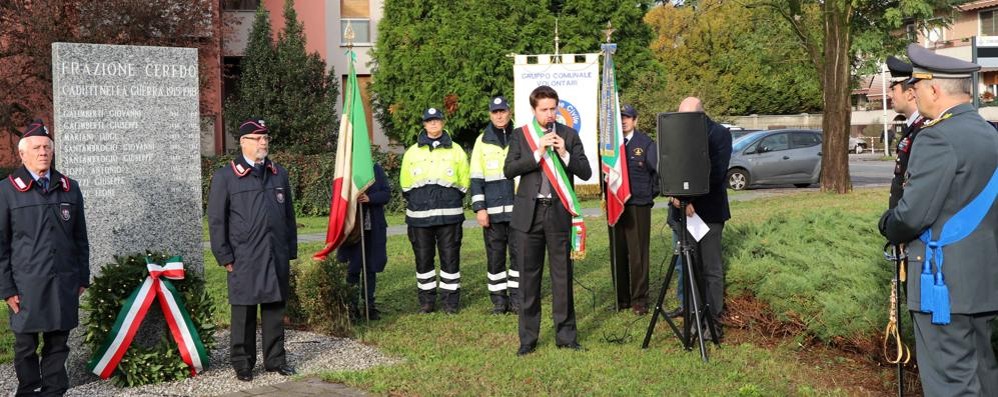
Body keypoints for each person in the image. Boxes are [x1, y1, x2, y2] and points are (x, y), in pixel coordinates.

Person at [879, 44, 998, 396]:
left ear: (934, 89)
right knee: (983, 373)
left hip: (943, 284)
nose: (913, 93)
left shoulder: (936, 137)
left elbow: (912, 215)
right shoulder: (988, 132)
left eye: (917, 86)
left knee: (951, 383)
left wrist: (887, 224)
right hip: (982, 280)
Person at [0, 119, 89, 396]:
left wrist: (82, 277)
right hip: (26, 285)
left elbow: (80, 239)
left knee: (58, 343)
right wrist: (6, 288)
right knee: (26, 346)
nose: (43, 153)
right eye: (37, 148)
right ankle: (28, 391)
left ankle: (53, 391)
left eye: (47, 148)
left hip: (63, 281)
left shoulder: (69, 188)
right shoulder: (6, 191)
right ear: (22, 154)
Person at [505, 85, 592, 356]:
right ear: (534, 110)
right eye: (544, 109)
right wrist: (537, 154)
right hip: (529, 216)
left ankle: (566, 336)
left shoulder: (569, 134)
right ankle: (528, 340)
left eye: (553, 108)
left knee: (562, 277)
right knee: (528, 280)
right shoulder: (522, 136)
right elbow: (509, 170)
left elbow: (586, 172)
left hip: (558, 214)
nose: (550, 114)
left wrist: (565, 153)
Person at [208, 118, 297, 382]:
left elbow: (288, 215)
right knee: (244, 312)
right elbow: (216, 220)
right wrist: (224, 255)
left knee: (274, 310)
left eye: (266, 138)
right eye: (258, 138)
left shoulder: (278, 173)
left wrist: (289, 250)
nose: (263, 142)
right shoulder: (226, 176)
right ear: (244, 142)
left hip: (275, 253)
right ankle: (243, 363)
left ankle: (275, 360)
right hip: (244, 256)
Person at [668, 97, 732, 338]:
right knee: (690, 267)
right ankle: (694, 317)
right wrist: (676, 196)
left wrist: (689, 199)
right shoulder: (678, 133)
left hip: (708, 213)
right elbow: (668, 166)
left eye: (686, 116)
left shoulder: (719, 135)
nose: (680, 121)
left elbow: (715, 173)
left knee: (711, 269)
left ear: (699, 115)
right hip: (683, 212)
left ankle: (713, 320)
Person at [400, 107, 470, 314]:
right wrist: (418, 200)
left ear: (443, 122)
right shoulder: (412, 151)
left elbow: (464, 181)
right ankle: (427, 302)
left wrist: (449, 198)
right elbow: (405, 183)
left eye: (436, 120)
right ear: (424, 124)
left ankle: (450, 302)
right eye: (429, 121)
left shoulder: (456, 150)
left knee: (450, 258)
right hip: (419, 217)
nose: (433, 124)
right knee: (423, 258)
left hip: (449, 215)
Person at [470, 96, 519, 315]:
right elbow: (476, 177)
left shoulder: (520, 136)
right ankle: (499, 301)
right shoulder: (482, 141)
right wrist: (480, 208)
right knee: (495, 257)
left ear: (509, 111)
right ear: (490, 114)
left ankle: (518, 299)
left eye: (502, 111)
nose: (499, 115)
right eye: (495, 112)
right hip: (492, 212)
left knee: (520, 256)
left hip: (518, 210)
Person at [611, 104, 659, 315]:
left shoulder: (645, 143)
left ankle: (639, 298)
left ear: (635, 120)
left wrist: (648, 196)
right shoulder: (609, 145)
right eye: (620, 117)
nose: (623, 121)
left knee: (638, 253)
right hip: (615, 205)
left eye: (628, 118)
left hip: (637, 205)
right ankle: (621, 298)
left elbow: (656, 174)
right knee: (617, 252)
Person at [337, 163, 390, 320]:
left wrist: (370, 198)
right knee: (353, 268)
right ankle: (352, 307)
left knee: (371, 268)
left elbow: (386, 194)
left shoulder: (376, 169)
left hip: (373, 229)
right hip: (353, 230)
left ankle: (369, 305)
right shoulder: (345, 170)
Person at [885, 55, 927, 209]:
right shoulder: (913, 127)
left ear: (909, 93)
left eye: (893, 88)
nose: (889, 94)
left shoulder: (923, 130)